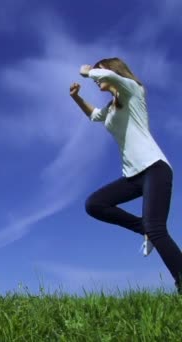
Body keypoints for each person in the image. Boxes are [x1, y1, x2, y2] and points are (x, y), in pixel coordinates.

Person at [69, 57, 182, 295]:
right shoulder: (112, 108)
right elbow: (93, 116)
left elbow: (110, 78)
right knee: (95, 204)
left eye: (101, 71)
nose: (97, 79)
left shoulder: (133, 90)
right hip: (132, 176)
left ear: (110, 70)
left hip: (154, 167)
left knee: (157, 228)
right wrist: (77, 98)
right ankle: (143, 228)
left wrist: (89, 71)